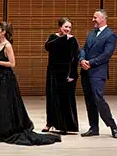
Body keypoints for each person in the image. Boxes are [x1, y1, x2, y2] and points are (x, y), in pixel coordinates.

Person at [0, 22, 61, 146]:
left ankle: (5, 129)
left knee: (4, 104)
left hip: (5, 78)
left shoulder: (8, 46)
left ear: (3, 32)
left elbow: (12, 63)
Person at [80, 9, 117, 138]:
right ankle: (94, 128)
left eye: (95, 17)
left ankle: (112, 125)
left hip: (97, 72)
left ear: (103, 19)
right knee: (89, 100)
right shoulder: (91, 34)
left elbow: (107, 55)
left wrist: (90, 62)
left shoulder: (110, 35)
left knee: (98, 99)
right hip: (85, 72)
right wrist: (82, 60)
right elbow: (83, 48)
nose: (93, 20)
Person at [43, 18, 79, 134]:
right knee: (52, 97)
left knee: (65, 99)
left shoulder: (72, 40)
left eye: (69, 27)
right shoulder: (52, 37)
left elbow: (75, 58)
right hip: (53, 72)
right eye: (65, 27)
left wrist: (73, 74)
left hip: (66, 73)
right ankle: (50, 123)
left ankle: (65, 125)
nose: (67, 29)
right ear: (60, 27)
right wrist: (63, 38)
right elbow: (48, 47)